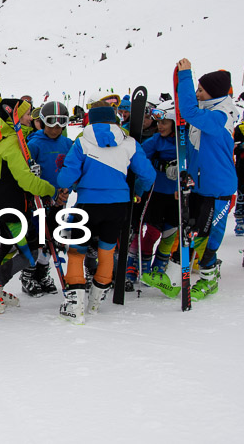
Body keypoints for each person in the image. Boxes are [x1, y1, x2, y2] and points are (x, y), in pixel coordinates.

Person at [145, 61, 239, 301]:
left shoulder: (219, 116)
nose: (197, 94)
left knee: (205, 237)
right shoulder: (207, 112)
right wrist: (183, 179)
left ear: (214, 93)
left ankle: (209, 280)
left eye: (200, 90)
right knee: (187, 232)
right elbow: (195, 152)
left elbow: (187, 111)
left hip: (217, 189)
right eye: (196, 89)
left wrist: (185, 77)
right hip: (198, 185)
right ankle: (175, 279)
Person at [57, 101, 155, 324]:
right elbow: (148, 175)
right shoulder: (129, 142)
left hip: (88, 205)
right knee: (107, 251)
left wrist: (73, 183)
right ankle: (95, 302)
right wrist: (135, 191)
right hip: (119, 205)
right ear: (115, 120)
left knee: (76, 252)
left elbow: (64, 179)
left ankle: (75, 306)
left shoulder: (82, 142)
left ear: (90, 120)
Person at [0, 98, 56, 313]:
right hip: (11, 210)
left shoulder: (13, 139)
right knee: (30, 255)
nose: (31, 118)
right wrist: (50, 189)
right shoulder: (11, 144)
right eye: (27, 114)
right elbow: (26, 181)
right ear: (15, 118)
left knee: (7, 249)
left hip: (12, 206)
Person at [23, 101, 73, 296]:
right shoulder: (34, 144)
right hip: (39, 200)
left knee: (53, 237)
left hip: (60, 200)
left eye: (60, 125)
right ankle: (28, 274)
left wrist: (67, 190)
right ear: (43, 122)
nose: (55, 129)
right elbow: (25, 171)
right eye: (51, 124)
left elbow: (72, 170)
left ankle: (42, 272)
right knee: (37, 238)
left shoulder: (68, 144)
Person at [137, 104, 179, 286]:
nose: (160, 126)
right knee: (152, 232)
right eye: (158, 122)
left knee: (170, 233)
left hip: (177, 195)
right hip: (156, 193)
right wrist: (159, 165)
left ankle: (159, 268)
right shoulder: (156, 141)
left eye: (164, 122)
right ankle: (143, 267)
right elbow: (139, 156)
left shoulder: (184, 142)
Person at [233, 106, 244, 237]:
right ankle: (240, 221)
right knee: (242, 195)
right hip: (242, 169)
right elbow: (232, 147)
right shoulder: (239, 129)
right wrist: (242, 146)